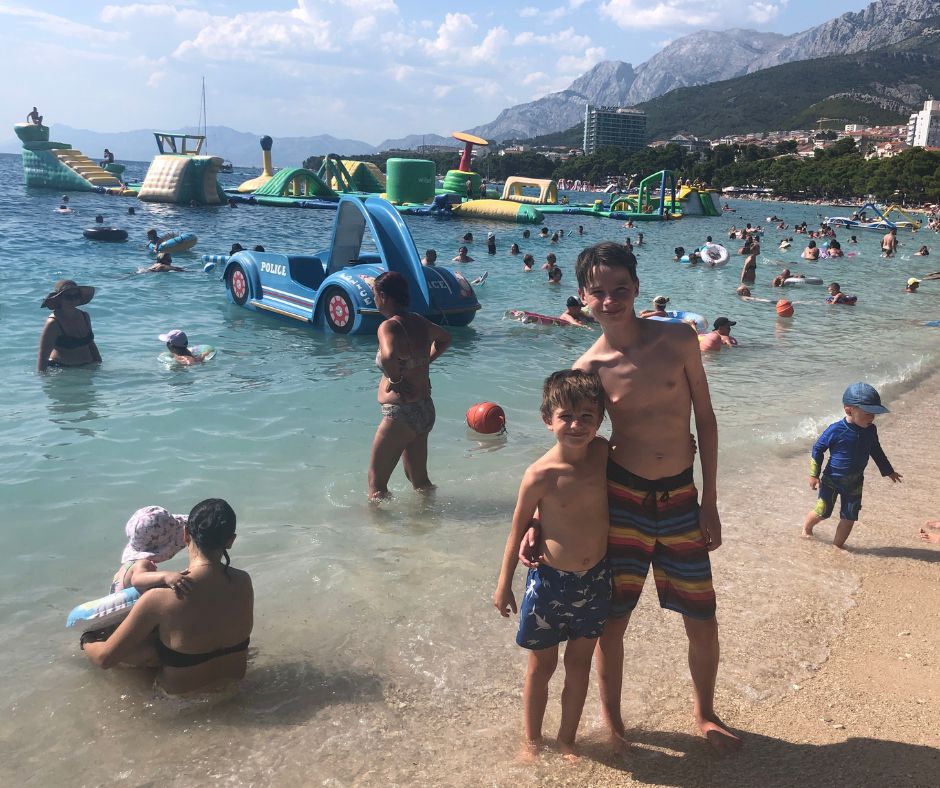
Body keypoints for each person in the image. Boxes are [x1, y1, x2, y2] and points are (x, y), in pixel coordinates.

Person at [520, 242, 739, 754]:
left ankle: (705, 712)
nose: (610, 299)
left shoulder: (679, 339)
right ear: (583, 297)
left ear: (637, 288)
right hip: (620, 498)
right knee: (611, 619)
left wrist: (710, 500)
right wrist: (536, 517)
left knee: (702, 615)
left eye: (620, 289)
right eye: (598, 292)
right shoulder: (589, 368)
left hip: (682, 496)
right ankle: (613, 722)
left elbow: (704, 419)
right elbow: (570, 446)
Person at [493, 370, 610, 760]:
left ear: (599, 421)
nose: (576, 425)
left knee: (578, 666)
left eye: (587, 417)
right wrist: (503, 583)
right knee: (541, 667)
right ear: (548, 420)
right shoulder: (539, 474)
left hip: (596, 580)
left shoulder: (604, 454)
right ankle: (531, 740)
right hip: (548, 583)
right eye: (566, 416)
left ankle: (567, 740)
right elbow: (516, 531)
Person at [82, 498, 253, 695]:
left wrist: (87, 639)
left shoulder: (159, 599)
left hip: (179, 707)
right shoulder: (244, 582)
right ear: (230, 541)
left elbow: (105, 659)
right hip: (234, 691)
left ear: (186, 535)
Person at [368, 271, 452, 501]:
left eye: (374, 294)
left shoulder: (388, 327)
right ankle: (428, 521)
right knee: (420, 481)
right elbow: (446, 338)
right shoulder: (419, 321)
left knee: (377, 486)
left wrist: (395, 379)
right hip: (424, 408)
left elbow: (388, 356)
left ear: (383, 296)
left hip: (400, 414)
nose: (373, 299)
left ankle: (380, 532)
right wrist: (425, 362)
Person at [802, 383, 902, 549]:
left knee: (849, 517)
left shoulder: (871, 430)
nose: (872, 418)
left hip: (855, 483)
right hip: (831, 480)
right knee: (823, 512)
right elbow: (818, 448)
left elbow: (876, 450)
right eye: (868, 413)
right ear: (849, 410)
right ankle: (807, 528)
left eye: (875, 414)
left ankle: (837, 547)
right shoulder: (836, 430)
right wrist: (814, 475)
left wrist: (888, 471)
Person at [111, 506, 190, 594]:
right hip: (129, 607)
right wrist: (166, 576)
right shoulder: (143, 563)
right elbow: (137, 579)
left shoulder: (126, 566)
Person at [37, 280, 102, 373]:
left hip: (87, 368)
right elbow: (43, 356)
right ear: (59, 299)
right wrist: (43, 378)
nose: (73, 300)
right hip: (62, 371)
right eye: (68, 297)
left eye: (76, 296)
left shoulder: (84, 316)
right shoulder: (53, 323)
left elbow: (91, 344)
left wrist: (99, 365)